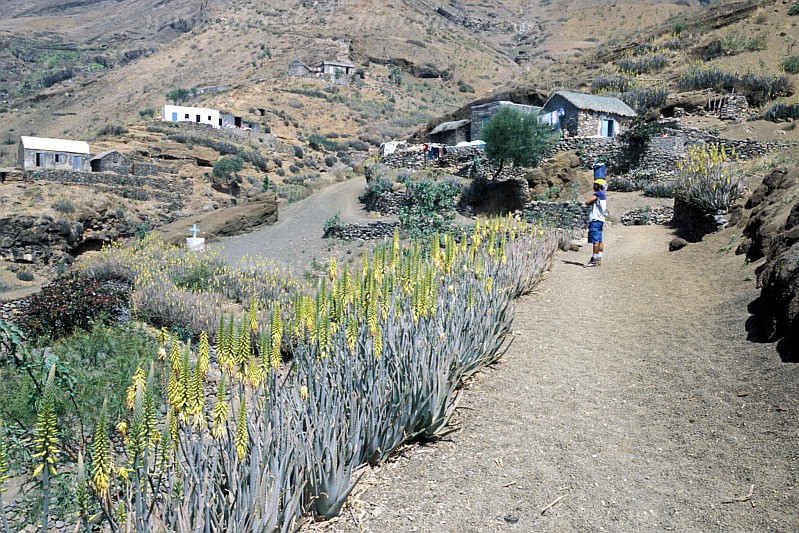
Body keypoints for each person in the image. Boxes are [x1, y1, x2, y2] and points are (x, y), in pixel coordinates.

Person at [584, 177, 607, 267]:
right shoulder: (603, 195)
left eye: (595, 185)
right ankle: (599, 258)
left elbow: (587, 202)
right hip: (600, 220)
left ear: (598, 186)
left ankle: (594, 260)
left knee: (595, 241)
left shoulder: (598, 194)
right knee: (600, 240)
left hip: (595, 220)